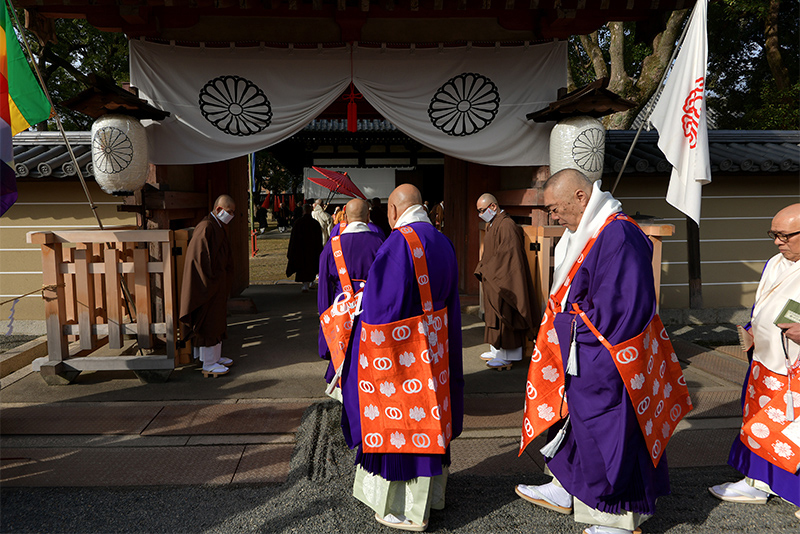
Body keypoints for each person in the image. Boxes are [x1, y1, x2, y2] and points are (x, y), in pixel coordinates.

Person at [516, 169, 686, 534]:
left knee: (611, 435)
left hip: (608, 359)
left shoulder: (618, 234)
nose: (554, 217)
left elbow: (624, 311)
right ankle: (567, 488)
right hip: (583, 352)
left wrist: (569, 324)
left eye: (555, 208)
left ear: (581, 196)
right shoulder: (593, 231)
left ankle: (615, 518)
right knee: (576, 425)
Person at [343, 184, 464, 531]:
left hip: (403, 356)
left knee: (401, 425)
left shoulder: (399, 243)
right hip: (436, 350)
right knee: (432, 416)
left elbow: (383, 310)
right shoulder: (442, 241)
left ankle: (403, 509)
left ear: (393, 212)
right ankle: (433, 499)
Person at [709, 203, 800, 519]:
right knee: (758, 423)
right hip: (765, 359)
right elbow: (764, 305)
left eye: (784, 235)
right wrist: (751, 330)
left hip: (795, 368)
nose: (777, 242)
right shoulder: (776, 262)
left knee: (789, 431)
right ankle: (757, 480)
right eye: (773, 235)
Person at [317, 198, 385, 401]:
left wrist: (324, 326)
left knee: (343, 353)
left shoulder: (332, 246)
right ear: (368, 217)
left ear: (344, 217)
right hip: (370, 309)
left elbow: (323, 290)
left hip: (340, 311)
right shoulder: (380, 242)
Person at [474, 193, 537, 370]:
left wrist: (486, 270)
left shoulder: (507, 225)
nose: (480, 214)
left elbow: (509, 257)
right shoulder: (494, 224)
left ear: (493, 207)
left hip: (503, 278)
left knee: (504, 314)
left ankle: (507, 356)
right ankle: (496, 350)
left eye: (482, 210)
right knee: (494, 315)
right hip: (493, 277)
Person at [179, 194, 236, 377]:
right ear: (219, 209)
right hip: (207, 284)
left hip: (216, 283)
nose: (231, 216)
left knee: (217, 321)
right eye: (229, 212)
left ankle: (215, 358)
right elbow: (200, 259)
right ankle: (208, 363)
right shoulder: (205, 227)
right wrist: (210, 282)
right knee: (209, 322)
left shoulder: (217, 225)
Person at [286, 203, 323, 292]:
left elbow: (293, 238)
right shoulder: (315, 223)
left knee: (302, 267)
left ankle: (305, 284)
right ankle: (311, 282)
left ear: (303, 211)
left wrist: (292, 250)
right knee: (311, 266)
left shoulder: (298, 223)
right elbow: (319, 239)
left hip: (301, 249)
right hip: (312, 250)